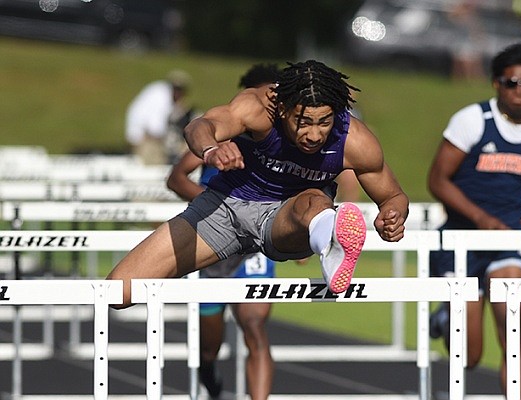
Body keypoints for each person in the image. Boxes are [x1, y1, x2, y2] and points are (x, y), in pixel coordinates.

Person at [107, 58, 408, 313]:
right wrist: (211, 149)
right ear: (282, 109)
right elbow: (200, 126)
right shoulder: (257, 107)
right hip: (225, 208)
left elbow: (393, 196)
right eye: (303, 122)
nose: (315, 135)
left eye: (324, 122)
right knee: (118, 292)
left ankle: (330, 240)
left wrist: (393, 215)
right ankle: (327, 234)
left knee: (316, 200)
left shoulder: (355, 140)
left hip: (284, 218)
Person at [427, 42, 521, 400]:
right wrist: (481, 219)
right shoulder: (472, 121)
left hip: (507, 240)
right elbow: (437, 180)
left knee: (512, 329)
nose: (519, 91)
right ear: (496, 83)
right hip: (462, 240)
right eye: (511, 83)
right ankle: (444, 320)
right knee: (470, 357)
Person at [166, 63, 281, 400]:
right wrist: (220, 204)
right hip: (216, 241)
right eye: (261, 99)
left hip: (253, 248)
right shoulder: (223, 132)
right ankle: (207, 366)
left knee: (255, 328)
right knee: (211, 341)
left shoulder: (281, 142)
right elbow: (176, 178)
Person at [125, 69, 195, 165]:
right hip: (145, 139)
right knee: (154, 166)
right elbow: (155, 127)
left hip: (143, 136)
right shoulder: (162, 96)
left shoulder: (160, 91)